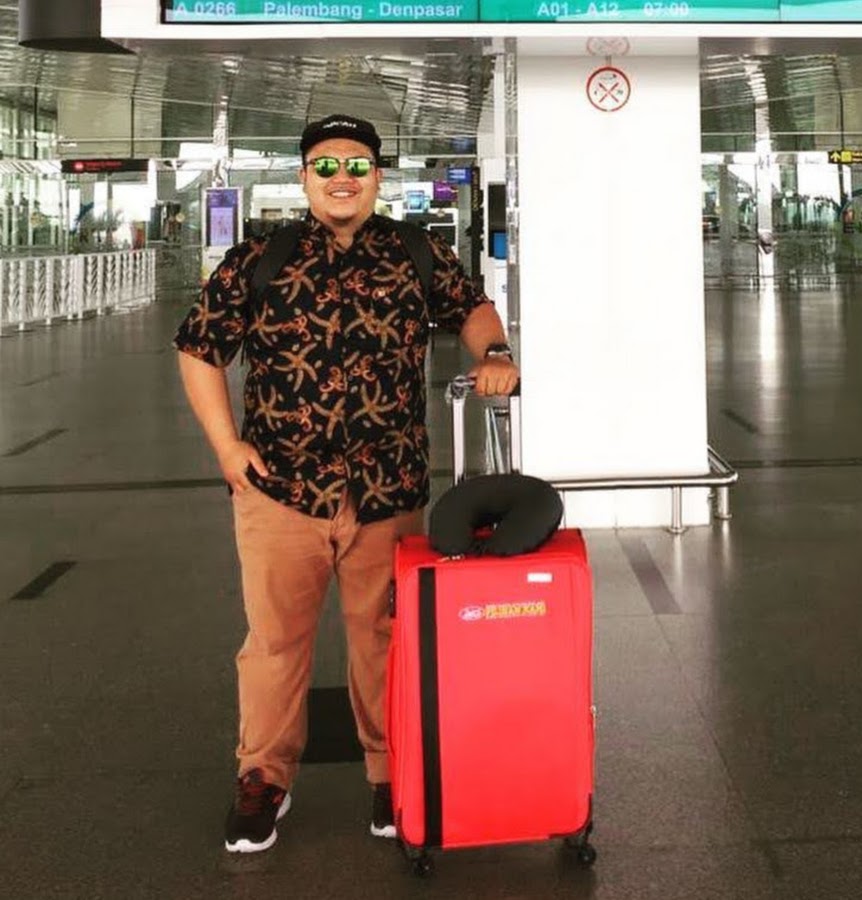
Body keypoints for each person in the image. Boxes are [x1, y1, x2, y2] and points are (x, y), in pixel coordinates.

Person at [173, 114, 519, 854]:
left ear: (377, 178)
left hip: (388, 493)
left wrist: (494, 351)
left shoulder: (416, 252)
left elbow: (471, 308)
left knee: (386, 640)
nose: (342, 179)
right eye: (326, 166)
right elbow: (200, 348)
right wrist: (227, 447)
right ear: (304, 177)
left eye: (357, 165)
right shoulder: (260, 257)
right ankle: (263, 778)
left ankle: (393, 776)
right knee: (274, 644)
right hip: (280, 491)